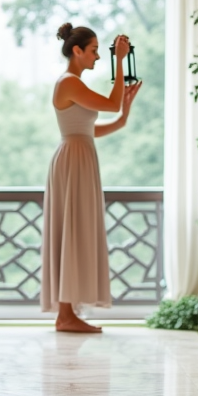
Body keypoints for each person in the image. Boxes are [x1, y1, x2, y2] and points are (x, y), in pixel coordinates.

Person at [40, 23, 143, 333]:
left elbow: (90, 129)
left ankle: (67, 314)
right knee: (70, 228)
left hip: (80, 156)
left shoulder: (74, 86)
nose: (99, 57)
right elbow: (109, 103)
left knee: (77, 229)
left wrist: (123, 117)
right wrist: (121, 60)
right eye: (95, 51)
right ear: (77, 51)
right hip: (73, 161)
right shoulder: (68, 83)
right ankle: (66, 314)